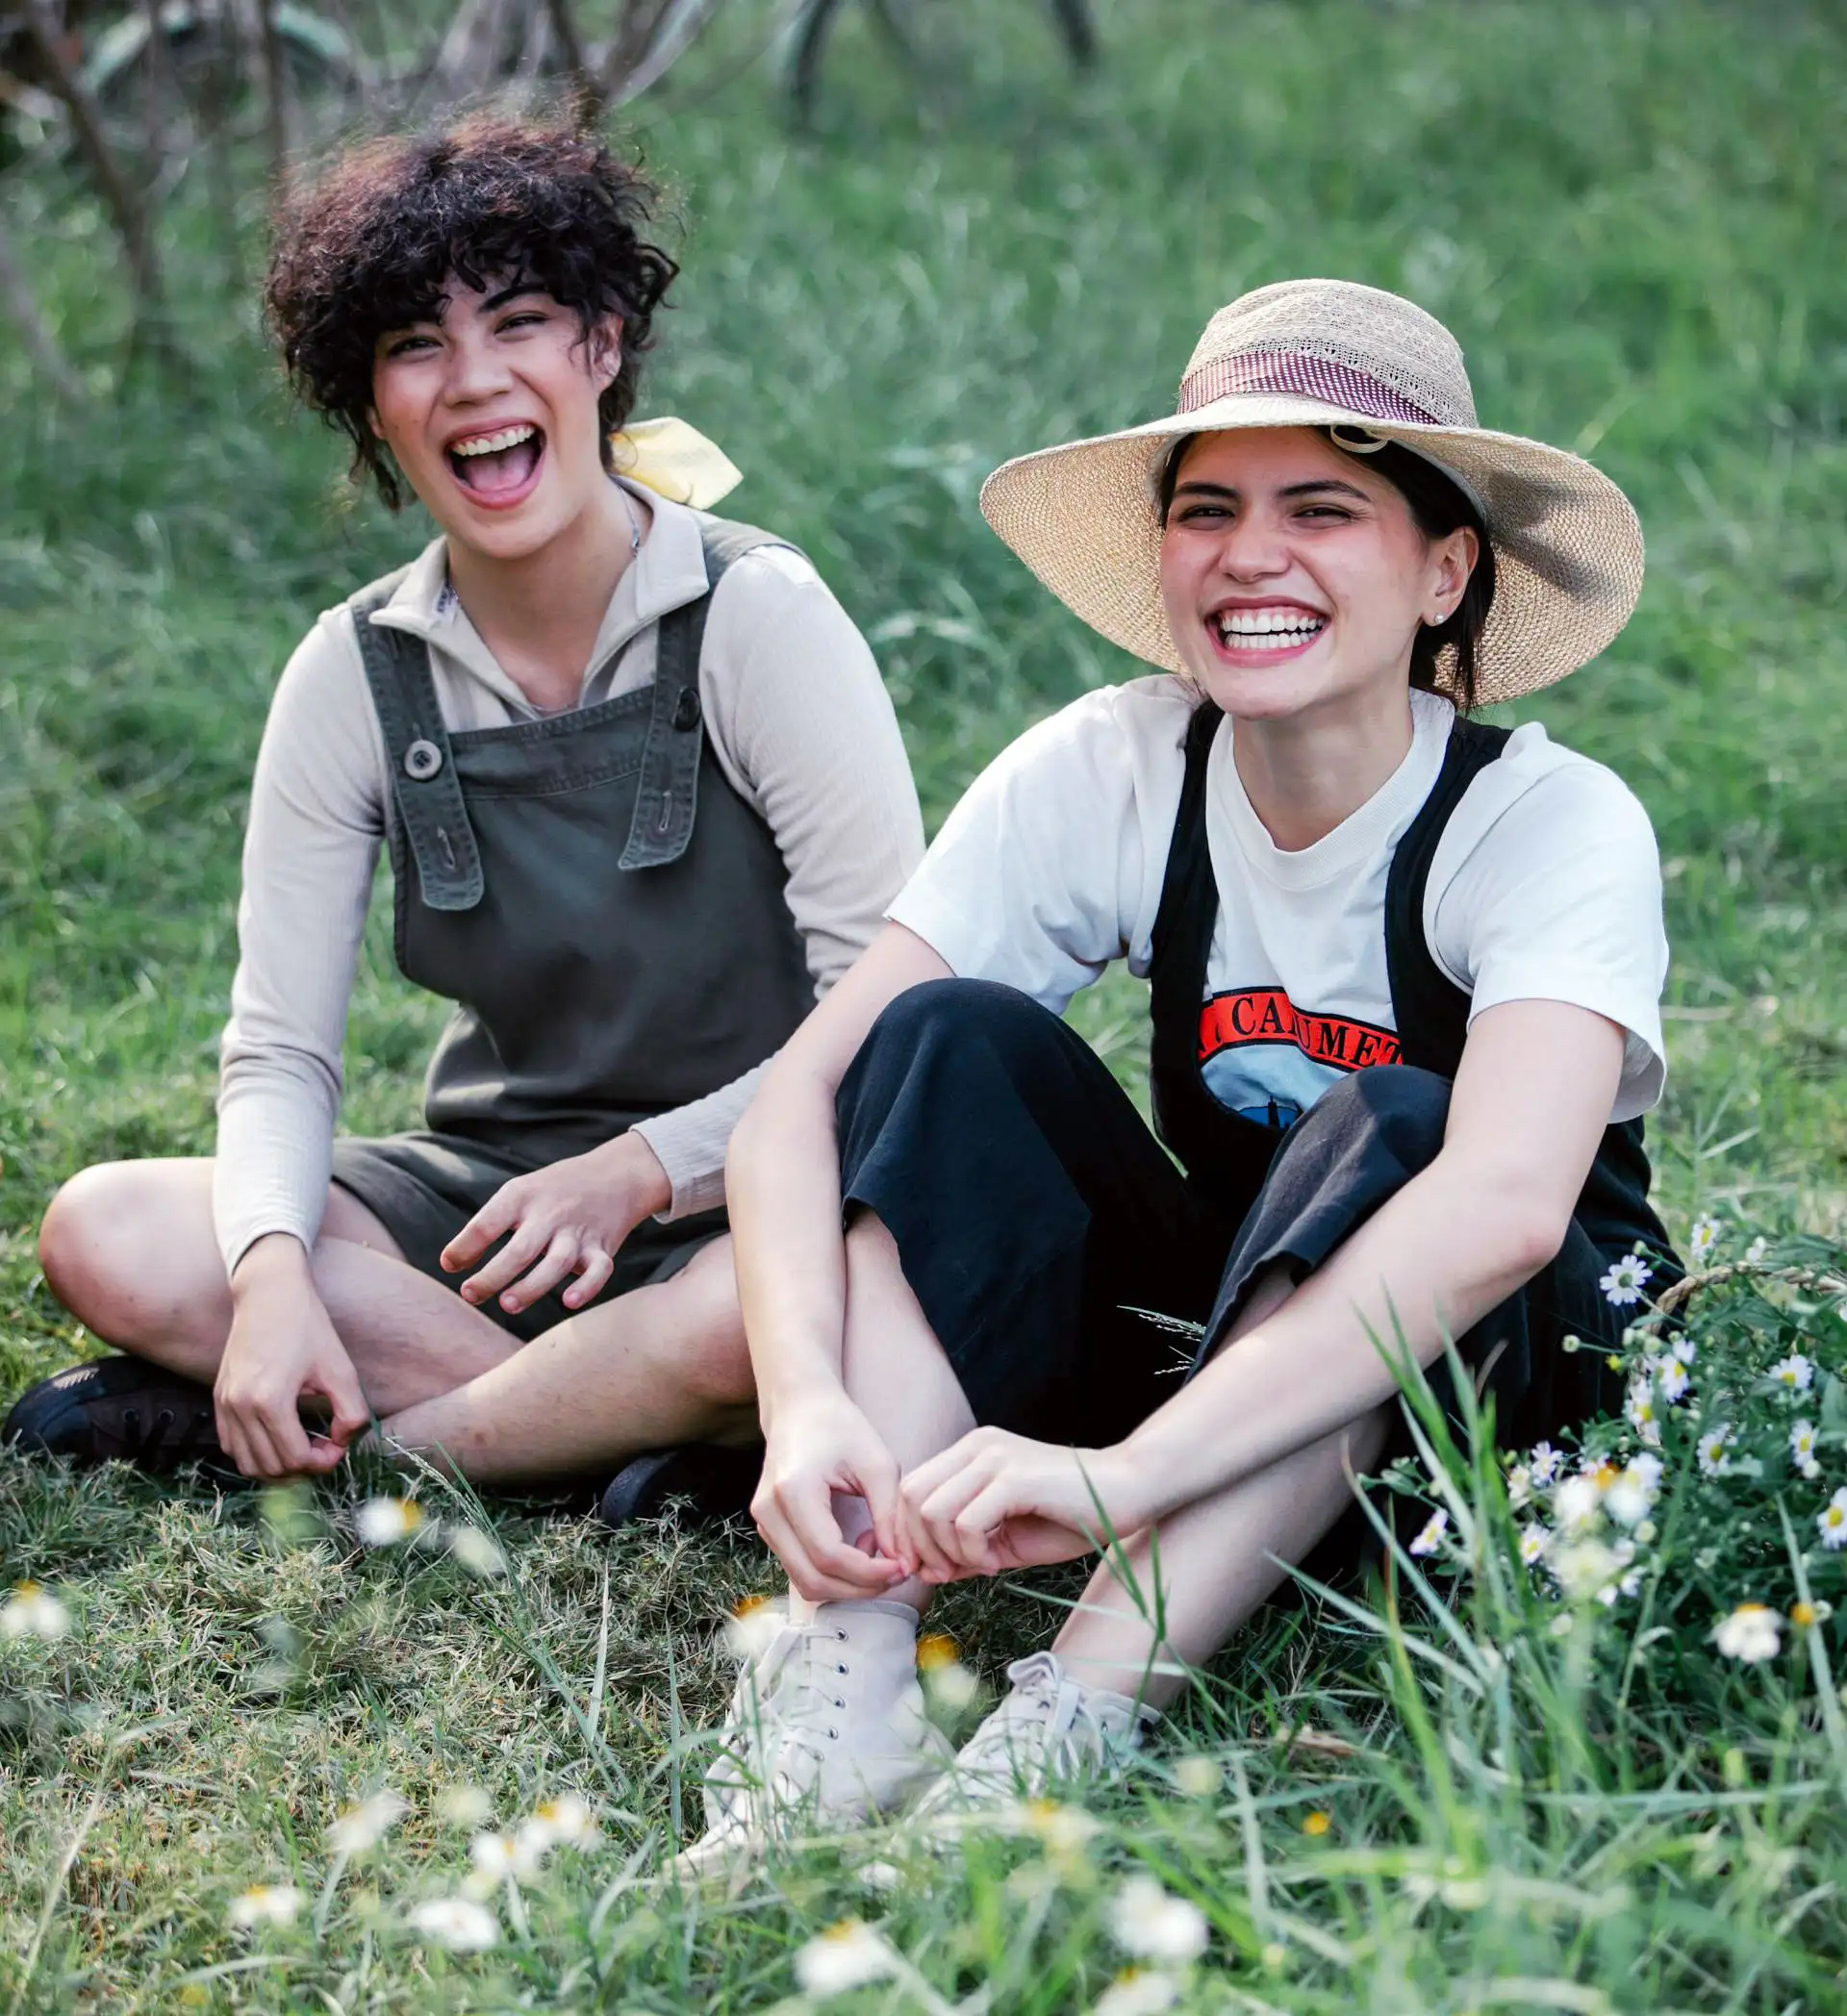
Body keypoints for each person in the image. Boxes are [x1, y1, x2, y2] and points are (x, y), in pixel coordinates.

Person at [682, 278, 1678, 1867]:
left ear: (1444, 571)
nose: (1250, 555)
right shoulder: (1120, 765)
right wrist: (802, 1411)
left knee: (1407, 1128)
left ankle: (1059, 1727)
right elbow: (802, 1098)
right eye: (1207, 508)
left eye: (1322, 509)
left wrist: (1123, 1476)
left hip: (1493, 1411)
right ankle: (847, 1681)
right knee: (941, 1042)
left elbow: (1501, 1211)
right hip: (1226, 1371)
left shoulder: (1546, 823)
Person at [4, 114, 923, 1506]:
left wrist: (641, 1171)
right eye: (415, 346)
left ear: (603, 349)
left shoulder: (755, 616)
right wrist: (264, 1282)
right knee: (112, 1230)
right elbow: (279, 1054)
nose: (473, 383)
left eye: (520, 323)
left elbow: (888, 1020)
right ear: (370, 402)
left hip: (755, 1183)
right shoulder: (353, 669)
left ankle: (393, 1446)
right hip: (483, 1199)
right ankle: (611, 1433)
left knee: (781, 1310)